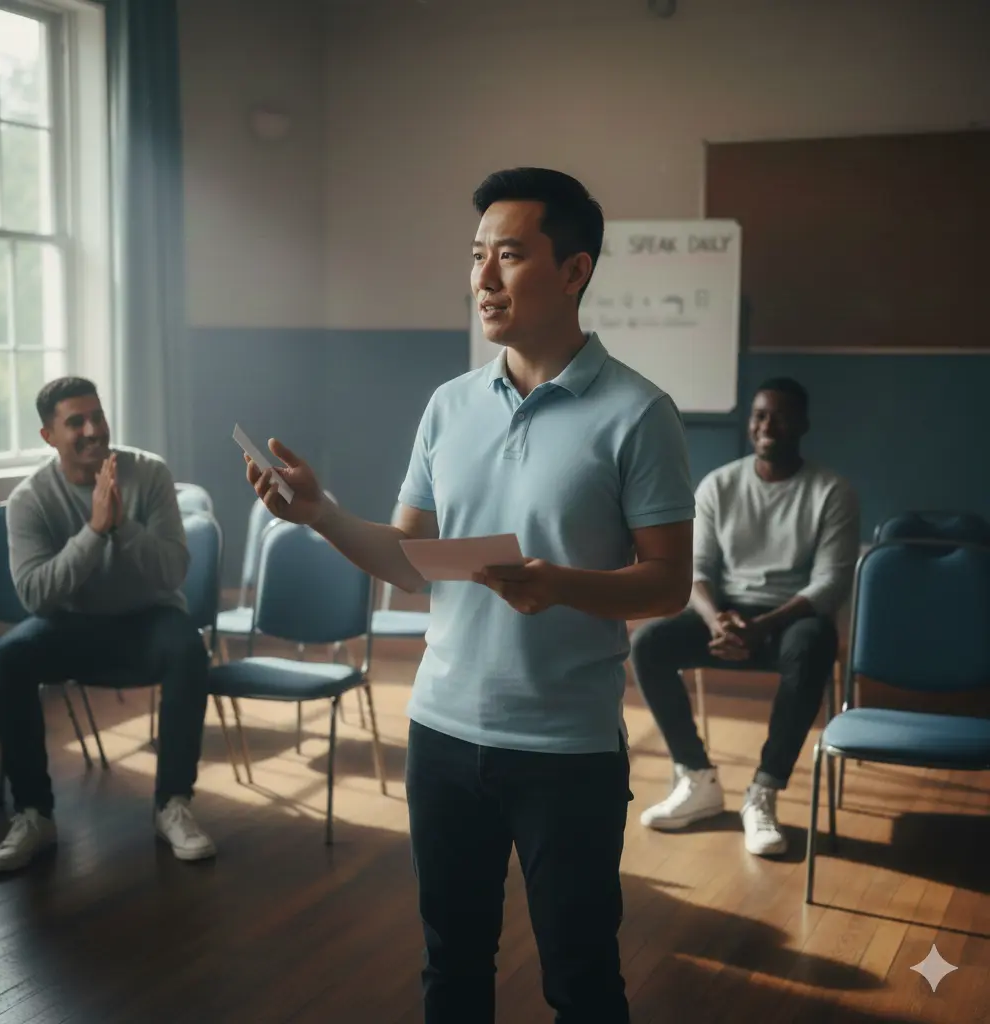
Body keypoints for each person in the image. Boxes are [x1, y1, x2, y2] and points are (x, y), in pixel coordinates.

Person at [245, 168, 694, 1023]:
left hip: (567, 748)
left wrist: (559, 585)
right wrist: (319, 513)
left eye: (510, 255)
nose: (483, 277)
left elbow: (669, 582)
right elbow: (412, 562)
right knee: (451, 967)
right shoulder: (449, 406)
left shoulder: (639, 414)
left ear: (574, 271)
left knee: (582, 981)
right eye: (477, 255)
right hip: (442, 734)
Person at [0, 377, 215, 874]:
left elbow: (173, 572)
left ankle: (173, 804)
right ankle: (34, 814)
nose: (93, 430)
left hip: (149, 618)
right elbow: (36, 596)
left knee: (188, 650)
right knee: (9, 658)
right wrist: (94, 530)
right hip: (71, 624)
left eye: (97, 416)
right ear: (49, 436)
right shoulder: (29, 499)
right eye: (76, 422)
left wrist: (121, 526)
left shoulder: (149, 473)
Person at [630, 378, 859, 857]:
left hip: (789, 619)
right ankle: (698, 778)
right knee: (648, 644)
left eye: (780, 416)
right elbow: (696, 570)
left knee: (813, 643)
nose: (767, 425)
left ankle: (764, 790)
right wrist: (718, 621)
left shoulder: (831, 491)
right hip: (727, 614)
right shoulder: (720, 485)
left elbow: (830, 584)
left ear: (803, 424)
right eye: (759, 415)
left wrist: (762, 628)